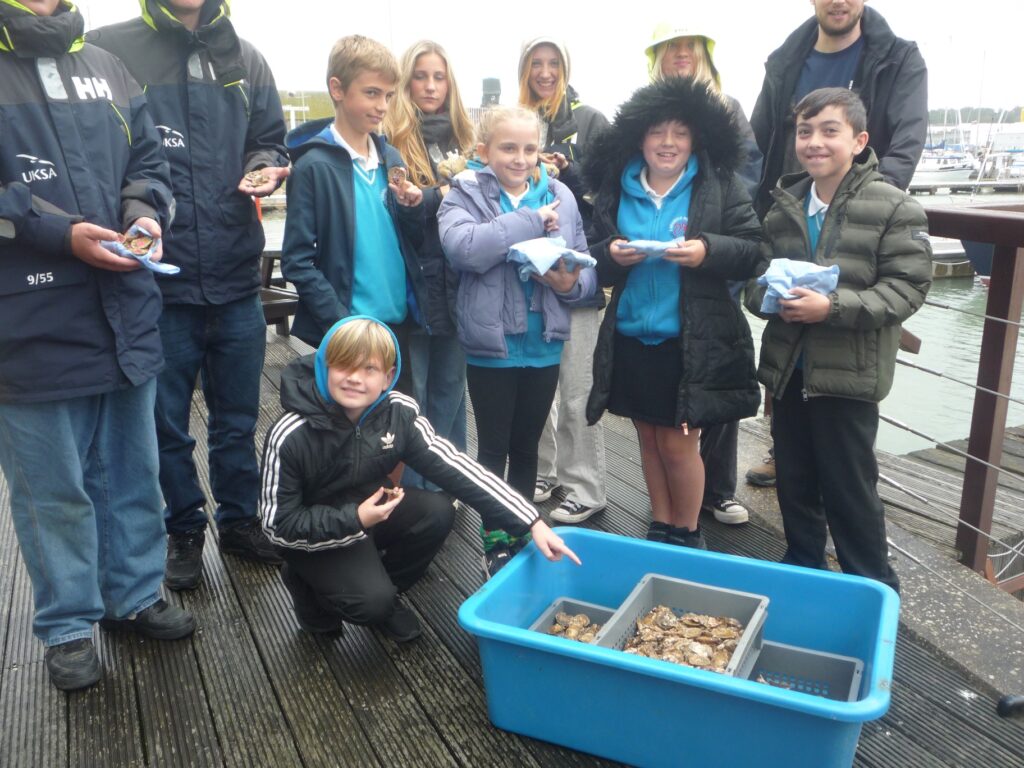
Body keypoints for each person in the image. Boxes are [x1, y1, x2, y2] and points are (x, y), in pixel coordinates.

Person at [0, 0, 194, 691]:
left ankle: (133, 595)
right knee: (52, 490)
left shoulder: (110, 68)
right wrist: (60, 232)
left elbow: (150, 164)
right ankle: (68, 626)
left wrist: (143, 214)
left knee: (133, 471)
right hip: (28, 324)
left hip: (126, 314)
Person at [89, 0, 290, 591]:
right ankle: (183, 528)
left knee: (238, 419)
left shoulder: (246, 58)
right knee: (165, 425)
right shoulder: (107, 49)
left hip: (236, 277)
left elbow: (270, 141)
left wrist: (265, 165)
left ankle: (241, 521)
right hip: (156, 280)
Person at [260, 316, 579, 640]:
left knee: (438, 511)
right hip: (313, 532)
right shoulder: (291, 433)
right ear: (324, 367)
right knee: (370, 603)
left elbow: (457, 467)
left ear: (388, 377)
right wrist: (355, 519)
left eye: (369, 369)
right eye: (343, 366)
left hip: (369, 513)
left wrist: (531, 521)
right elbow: (276, 526)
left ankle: (384, 593)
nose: (355, 378)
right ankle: (310, 589)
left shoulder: (398, 413)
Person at [744, 87, 932, 592]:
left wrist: (832, 307)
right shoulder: (783, 208)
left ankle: (872, 585)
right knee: (795, 480)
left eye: (830, 131)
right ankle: (804, 568)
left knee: (850, 488)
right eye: (805, 131)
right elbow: (755, 281)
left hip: (850, 376)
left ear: (859, 141)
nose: (815, 142)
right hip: (790, 371)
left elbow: (908, 288)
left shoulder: (894, 206)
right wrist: (769, 297)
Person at [746, 0, 928, 488]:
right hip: (794, 211)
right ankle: (783, 455)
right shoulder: (785, 60)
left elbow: (908, 138)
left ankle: (847, 509)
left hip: (861, 219)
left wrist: (866, 202)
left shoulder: (898, 56)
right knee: (792, 377)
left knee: (847, 459)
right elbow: (759, 142)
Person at [584, 77, 762, 550]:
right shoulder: (617, 187)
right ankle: (661, 526)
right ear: (638, 137)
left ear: (695, 138)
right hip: (630, 335)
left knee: (680, 444)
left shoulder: (718, 184)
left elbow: (753, 250)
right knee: (648, 438)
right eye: (657, 131)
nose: (668, 142)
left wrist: (707, 251)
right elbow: (592, 251)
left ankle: (687, 532)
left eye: (680, 132)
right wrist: (611, 254)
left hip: (690, 341)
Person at [438, 106, 598, 577]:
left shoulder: (562, 195)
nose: (520, 158)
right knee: (493, 448)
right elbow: (465, 250)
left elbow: (586, 265)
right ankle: (494, 539)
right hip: (491, 349)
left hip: (545, 342)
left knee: (527, 447)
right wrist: (530, 221)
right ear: (484, 151)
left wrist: (572, 284)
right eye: (508, 148)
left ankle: (522, 528)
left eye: (530, 149)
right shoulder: (463, 194)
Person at [645, 20, 764, 526]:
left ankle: (718, 489)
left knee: (713, 384)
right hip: (659, 277)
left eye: (690, 45)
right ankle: (672, 508)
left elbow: (748, 175)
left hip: (712, 264)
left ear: (705, 53)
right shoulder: (647, 108)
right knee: (662, 413)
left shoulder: (727, 108)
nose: (681, 54)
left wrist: (711, 239)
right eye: (671, 46)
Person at [282, 34, 428, 399]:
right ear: (337, 89)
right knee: (346, 430)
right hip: (349, 332)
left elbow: (408, 242)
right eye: (372, 93)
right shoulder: (313, 167)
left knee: (397, 427)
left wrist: (412, 209)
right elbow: (297, 260)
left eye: (388, 96)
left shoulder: (392, 159)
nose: (382, 106)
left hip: (397, 328)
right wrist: (342, 323)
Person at [518, 37, 608, 524]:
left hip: (577, 272)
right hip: (528, 275)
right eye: (536, 63)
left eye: (554, 63)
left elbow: (610, 193)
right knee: (537, 387)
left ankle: (586, 487)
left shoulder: (591, 120)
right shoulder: (516, 119)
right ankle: (544, 471)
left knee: (577, 388)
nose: (545, 72)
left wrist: (571, 173)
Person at [384, 40, 474, 491]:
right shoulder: (392, 143)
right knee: (415, 396)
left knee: (452, 391)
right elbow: (399, 213)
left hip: (460, 285)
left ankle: (451, 483)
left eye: (439, 77)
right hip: (416, 288)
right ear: (406, 82)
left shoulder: (466, 142)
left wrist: (433, 196)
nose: (431, 86)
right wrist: (436, 196)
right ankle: (420, 490)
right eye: (421, 76)